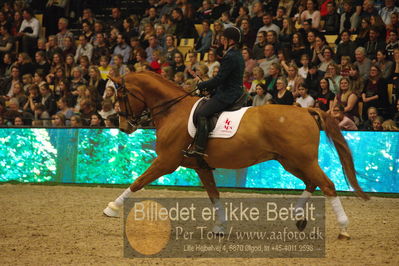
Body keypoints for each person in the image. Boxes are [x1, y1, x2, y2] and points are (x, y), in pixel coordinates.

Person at [184, 27, 244, 158]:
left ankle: (199, 147)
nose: (221, 40)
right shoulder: (236, 54)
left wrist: (201, 84)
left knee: (202, 113)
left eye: (224, 38)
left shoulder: (230, 56)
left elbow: (219, 78)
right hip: (231, 90)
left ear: (230, 40)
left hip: (228, 94)